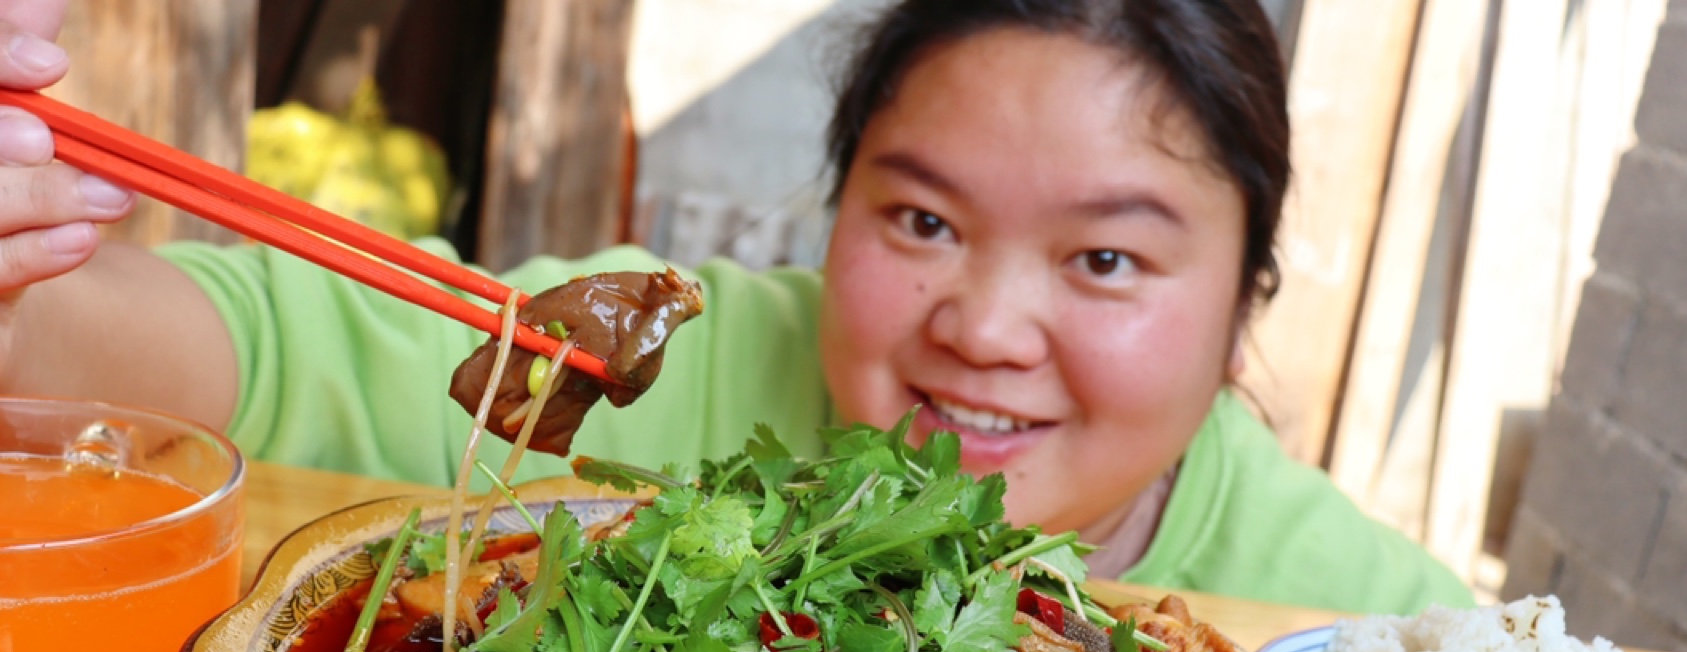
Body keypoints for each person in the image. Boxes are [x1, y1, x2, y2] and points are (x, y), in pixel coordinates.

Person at [0, 0, 1471, 615]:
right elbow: (245, 348)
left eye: (1105, 260)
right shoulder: (672, 357)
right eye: (922, 220)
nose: (985, 326)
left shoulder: (1337, 610)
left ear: (1244, 298)